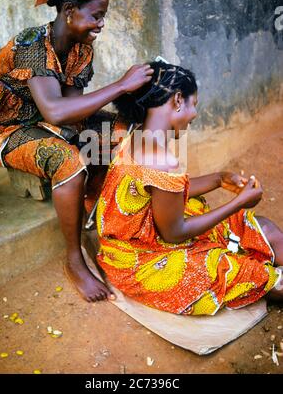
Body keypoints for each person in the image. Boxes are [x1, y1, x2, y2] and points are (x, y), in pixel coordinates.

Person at [0, 0, 154, 302]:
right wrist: (120, 84)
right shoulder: (31, 44)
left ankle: (99, 207)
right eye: (97, 16)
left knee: (123, 133)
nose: (101, 24)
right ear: (70, 11)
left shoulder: (80, 50)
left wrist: (131, 100)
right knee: (67, 160)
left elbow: (75, 111)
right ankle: (74, 260)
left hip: (47, 121)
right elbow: (56, 111)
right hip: (2, 129)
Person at [95, 60, 283, 315]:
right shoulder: (162, 161)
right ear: (177, 100)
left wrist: (218, 178)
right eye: (194, 104)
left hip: (123, 248)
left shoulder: (137, 135)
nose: (194, 114)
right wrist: (238, 202)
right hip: (140, 263)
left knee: (261, 230)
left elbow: (165, 195)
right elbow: (174, 233)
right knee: (255, 273)